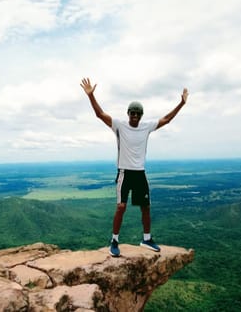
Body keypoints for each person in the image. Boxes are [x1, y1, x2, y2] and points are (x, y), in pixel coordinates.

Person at [80, 77, 189, 257]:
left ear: (141, 116)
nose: (135, 117)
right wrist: (91, 96)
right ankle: (114, 240)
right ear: (128, 113)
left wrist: (181, 103)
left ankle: (146, 239)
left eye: (138, 114)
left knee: (145, 207)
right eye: (132, 113)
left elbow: (167, 119)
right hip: (124, 172)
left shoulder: (146, 127)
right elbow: (100, 114)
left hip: (140, 173)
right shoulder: (119, 125)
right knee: (121, 206)